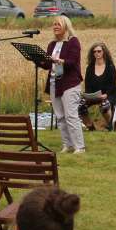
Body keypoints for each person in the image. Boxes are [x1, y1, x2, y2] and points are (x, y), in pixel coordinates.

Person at [37, 14, 84, 154]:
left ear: (66, 26)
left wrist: (59, 60)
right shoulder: (52, 44)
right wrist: (38, 59)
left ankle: (79, 147)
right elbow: (47, 64)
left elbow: (72, 62)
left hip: (69, 83)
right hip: (54, 84)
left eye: (58, 24)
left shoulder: (73, 41)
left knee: (71, 115)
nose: (55, 27)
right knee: (60, 116)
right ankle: (67, 144)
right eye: (54, 24)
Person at [82, 42, 116, 131]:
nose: (97, 53)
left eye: (99, 51)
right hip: (93, 95)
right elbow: (87, 85)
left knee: (104, 105)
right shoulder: (90, 68)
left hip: (108, 94)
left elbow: (113, 85)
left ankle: (110, 125)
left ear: (104, 52)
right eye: (94, 52)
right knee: (79, 106)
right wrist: (88, 95)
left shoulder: (110, 66)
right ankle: (90, 127)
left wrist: (106, 95)